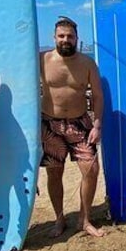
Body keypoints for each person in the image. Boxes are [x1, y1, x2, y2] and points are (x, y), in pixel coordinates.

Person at [40, 17, 105, 238]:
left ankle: (84, 219)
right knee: (54, 174)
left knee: (91, 170)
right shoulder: (42, 59)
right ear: (54, 37)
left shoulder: (87, 63)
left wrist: (97, 124)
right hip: (51, 124)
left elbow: (97, 95)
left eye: (70, 36)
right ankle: (59, 218)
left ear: (77, 38)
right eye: (62, 36)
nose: (66, 40)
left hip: (80, 123)